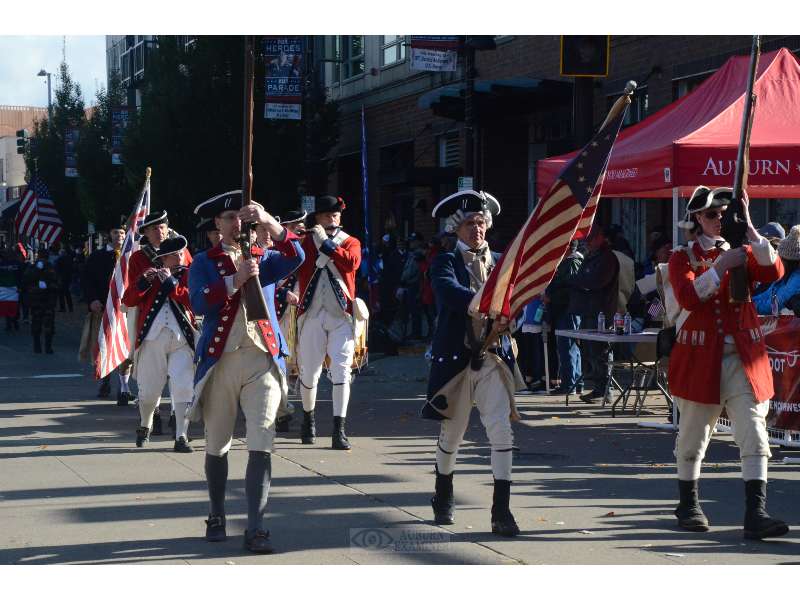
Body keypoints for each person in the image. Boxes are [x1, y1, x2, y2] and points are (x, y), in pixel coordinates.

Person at [669, 186, 788, 540]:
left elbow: (774, 272)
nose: (719, 220)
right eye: (711, 215)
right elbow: (689, 297)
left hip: (742, 358)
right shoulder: (682, 257)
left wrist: (750, 227)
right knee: (694, 436)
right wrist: (721, 266)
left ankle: (756, 512)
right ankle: (688, 504)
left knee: (753, 431)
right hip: (700, 359)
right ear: (695, 220)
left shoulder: (743, 250)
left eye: (724, 213)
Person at [188, 190, 304, 553]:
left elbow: (297, 255)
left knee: (262, 440)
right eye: (230, 219)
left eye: (243, 217)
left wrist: (270, 220)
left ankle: (256, 526)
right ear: (217, 227)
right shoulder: (205, 261)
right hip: (221, 360)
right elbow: (198, 300)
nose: (238, 224)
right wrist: (233, 281)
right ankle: (217, 512)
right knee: (217, 442)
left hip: (262, 358)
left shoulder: (265, 256)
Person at [421, 189, 523, 538]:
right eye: (468, 224)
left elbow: (517, 299)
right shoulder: (444, 261)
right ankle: (443, 493)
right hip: (457, 360)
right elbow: (448, 294)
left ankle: (501, 510)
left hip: (493, 357)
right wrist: (491, 304)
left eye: (480, 222)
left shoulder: (501, 261)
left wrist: (512, 315)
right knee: (453, 434)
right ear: (456, 228)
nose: (476, 229)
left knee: (501, 430)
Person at [294, 195, 365, 450]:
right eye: (327, 215)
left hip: (341, 315)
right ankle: (308, 420)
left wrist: (326, 242)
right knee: (309, 372)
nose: (332, 218)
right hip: (312, 314)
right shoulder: (305, 242)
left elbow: (352, 262)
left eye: (335, 215)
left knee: (342, 371)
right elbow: (290, 256)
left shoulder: (351, 241)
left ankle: (339, 429)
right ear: (318, 218)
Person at [122, 217, 196, 452]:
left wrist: (172, 283)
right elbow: (128, 300)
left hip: (181, 336)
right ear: (162, 258)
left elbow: (193, 299)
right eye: (173, 255)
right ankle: (145, 424)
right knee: (149, 392)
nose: (178, 257)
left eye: (162, 226)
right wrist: (144, 282)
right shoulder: (140, 261)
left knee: (183, 386)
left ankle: (181, 436)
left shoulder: (185, 266)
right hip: (152, 336)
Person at [567, 221, 620, 403]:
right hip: (588, 311)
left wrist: (580, 281)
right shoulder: (592, 257)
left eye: (590, 239)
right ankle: (599, 389)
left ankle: (606, 390)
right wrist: (581, 281)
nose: (587, 243)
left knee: (602, 351)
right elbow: (583, 279)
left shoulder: (607, 258)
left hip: (602, 313)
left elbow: (595, 282)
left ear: (600, 238)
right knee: (591, 352)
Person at [81, 227, 134, 404]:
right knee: (104, 345)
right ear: (108, 235)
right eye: (115, 233)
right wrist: (92, 300)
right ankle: (105, 379)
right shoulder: (97, 257)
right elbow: (86, 280)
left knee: (125, 347)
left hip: (126, 309)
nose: (119, 236)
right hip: (103, 308)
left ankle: (124, 388)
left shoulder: (131, 255)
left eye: (122, 233)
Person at [545, 239, 584, 395]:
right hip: (564, 310)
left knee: (567, 347)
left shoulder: (572, 262)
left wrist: (551, 297)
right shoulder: (567, 262)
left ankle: (569, 384)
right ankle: (575, 382)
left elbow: (571, 289)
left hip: (568, 310)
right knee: (570, 347)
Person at [753, 225, 800, 316]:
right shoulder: (784, 275)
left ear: (788, 261)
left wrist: (747, 306)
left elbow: (770, 307)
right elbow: (767, 295)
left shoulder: (796, 280)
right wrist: (750, 302)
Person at [24, 249, 58, 354]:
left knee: (45, 324)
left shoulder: (51, 268)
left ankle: (45, 347)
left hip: (47, 300)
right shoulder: (34, 268)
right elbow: (26, 279)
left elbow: (57, 283)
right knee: (38, 323)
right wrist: (37, 270)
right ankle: (39, 347)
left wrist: (47, 286)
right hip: (37, 300)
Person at [55, 246, 75, 313]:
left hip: (62, 278)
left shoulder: (60, 259)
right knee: (67, 293)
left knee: (61, 294)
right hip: (67, 277)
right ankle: (70, 307)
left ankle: (63, 308)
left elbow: (57, 270)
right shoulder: (69, 259)